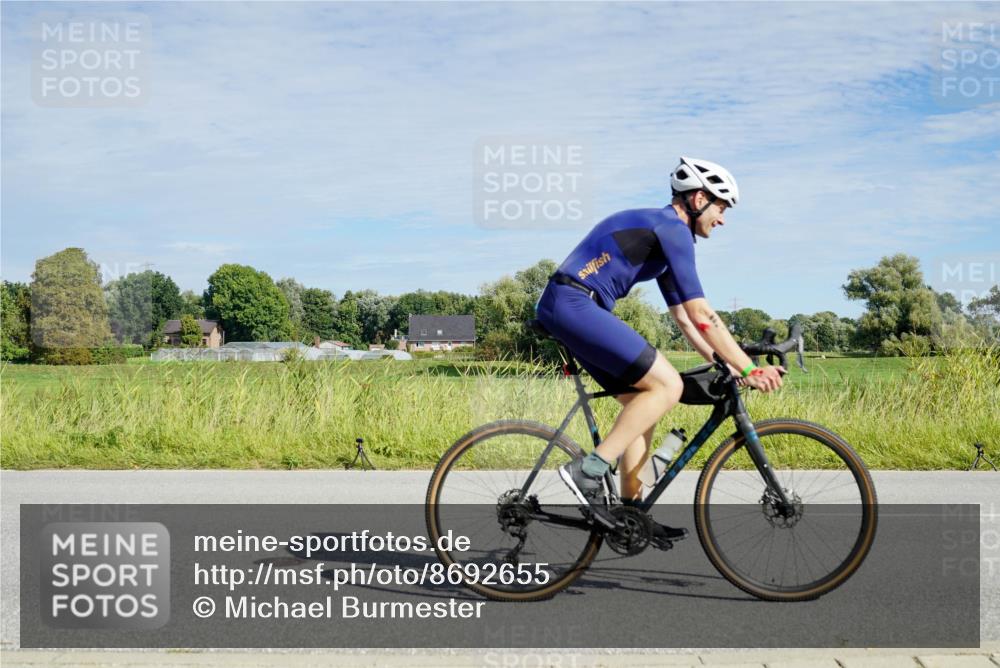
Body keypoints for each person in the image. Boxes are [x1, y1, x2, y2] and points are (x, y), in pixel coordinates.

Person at [534, 156, 784, 540]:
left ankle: (629, 516)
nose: (722, 219)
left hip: (573, 307)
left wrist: (726, 364)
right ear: (699, 198)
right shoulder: (672, 229)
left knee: (644, 402)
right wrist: (750, 369)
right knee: (669, 386)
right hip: (573, 303)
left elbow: (685, 319)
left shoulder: (667, 239)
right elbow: (703, 313)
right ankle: (587, 471)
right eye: (721, 208)